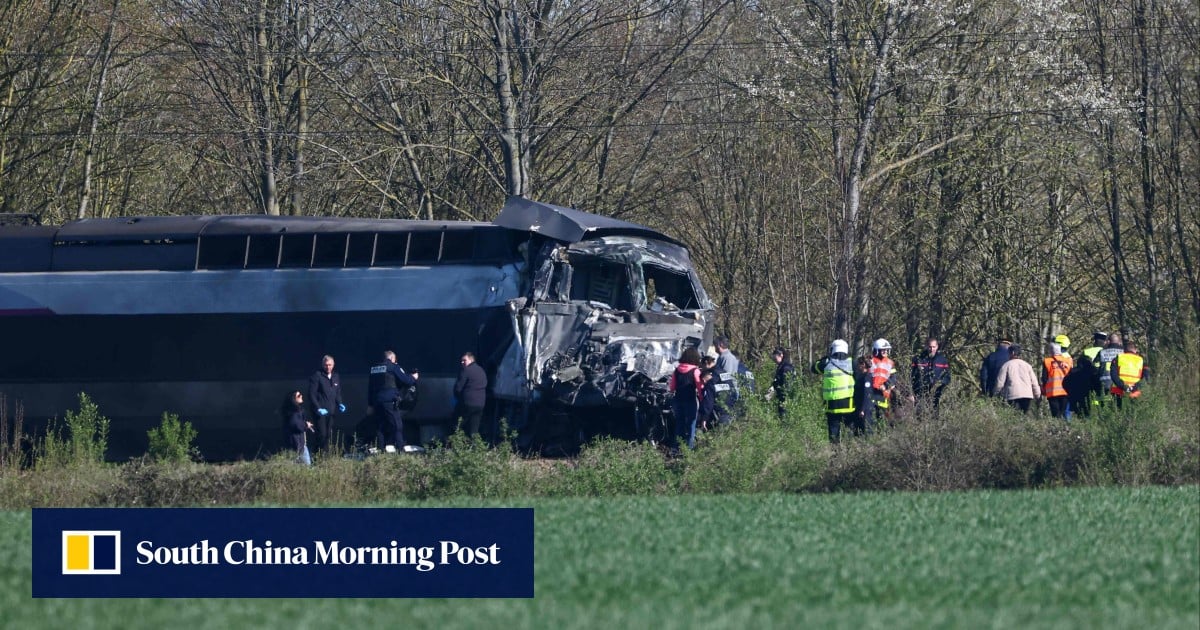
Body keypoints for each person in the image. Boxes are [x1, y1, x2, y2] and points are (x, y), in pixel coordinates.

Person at [368, 350, 419, 452]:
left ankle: (381, 451)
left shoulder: (374, 369)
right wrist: (414, 377)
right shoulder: (393, 367)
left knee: (380, 427)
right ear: (391, 358)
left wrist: (370, 405)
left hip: (377, 402)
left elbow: (370, 388)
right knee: (397, 426)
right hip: (389, 402)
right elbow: (406, 380)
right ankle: (400, 450)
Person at [812, 339, 856, 443]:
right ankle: (850, 454)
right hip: (848, 405)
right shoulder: (852, 362)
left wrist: (824, 358)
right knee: (849, 431)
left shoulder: (826, 362)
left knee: (833, 433)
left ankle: (835, 455)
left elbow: (813, 368)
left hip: (832, 405)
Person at [307, 354, 345, 454]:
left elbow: (337, 392)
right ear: (323, 365)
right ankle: (317, 456)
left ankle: (325, 456)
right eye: (326, 365)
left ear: (333, 364)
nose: (328, 367)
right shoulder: (317, 376)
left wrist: (340, 403)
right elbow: (311, 394)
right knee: (321, 434)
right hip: (320, 412)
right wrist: (318, 408)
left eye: (330, 365)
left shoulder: (336, 376)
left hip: (331, 411)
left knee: (328, 434)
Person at [669, 347, 703, 449]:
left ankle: (676, 447)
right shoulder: (695, 371)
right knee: (691, 424)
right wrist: (702, 399)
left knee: (679, 423)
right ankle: (689, 449)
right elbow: (699, 386)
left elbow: (672, 387)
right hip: (690, 401)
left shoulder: (677, 370)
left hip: (678, 400)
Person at [993, 344, 1041, 414]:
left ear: (1012, 353)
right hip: (1027, 395)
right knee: (1024, 415)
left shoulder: (1006, 365)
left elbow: (1000, 383)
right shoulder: (1027, 365)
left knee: (1014, 416)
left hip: (1012, 395)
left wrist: (995, 393)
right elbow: (1034, 382)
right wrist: (1037, 395)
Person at [451, 351, 488, 440]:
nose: (462, 362)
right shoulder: (481, 370)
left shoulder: (466, 370)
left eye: (464, 360)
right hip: (480, 404)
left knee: (457, 425)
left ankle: (455, 445)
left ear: (471, 360)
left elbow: (458, 388)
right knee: (474, 429)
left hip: (467, 403)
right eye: (461, 361)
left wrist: (456, 398)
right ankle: (475, 449)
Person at [910, 337, 951, 411]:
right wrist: (911, 392)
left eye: (934, 347)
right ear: (926, 346)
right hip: (920, 393)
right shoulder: (918, 359)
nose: (932, 349)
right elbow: (912, 376)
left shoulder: (942, 360)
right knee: (920, 415)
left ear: (937, 347)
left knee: (934, 415)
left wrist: (940, 384)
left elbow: (947, 376)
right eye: (930, 347)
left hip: (936, 394)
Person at [866, 338, 898, 432]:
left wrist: (886, 385)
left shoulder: (890, 363)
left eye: (886, 349)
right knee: (870, 418)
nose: (885, 351)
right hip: (870, 392)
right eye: (882, 350)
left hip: (883, 394)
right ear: (876, 350)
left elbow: (893, 378)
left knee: (882, 417)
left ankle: (883, 435)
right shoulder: (870, 361)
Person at [1041, 338, 1073, 419]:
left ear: (1051, 351)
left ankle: (1057, 429)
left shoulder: (1047, 361)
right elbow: (1071, 375)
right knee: (1063, 412)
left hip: (1052, 392)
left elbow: (1044, 378)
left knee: (1055, 415)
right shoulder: (1068, 361)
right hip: (1065, 392)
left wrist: (1044, 388)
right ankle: (1065, 429)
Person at [712, 336, 742, 419]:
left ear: (720, 344)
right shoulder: (722, 357)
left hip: (727, 393)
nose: (714, 347)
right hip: (726, 391)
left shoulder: (726, 358)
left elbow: (725, 376)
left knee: (724, 417)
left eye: (715, 345)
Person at [1110, 341, 1147, 408]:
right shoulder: (1141, 360)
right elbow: (1146, 378)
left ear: (1124, 350)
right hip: (1135, 392)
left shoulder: (1118, 358)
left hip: (1118, 391)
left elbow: (1113, 375)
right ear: (1135, 350)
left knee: (1117, 413)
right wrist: (1134, 387)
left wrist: (1123, 386)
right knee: (1133, 414)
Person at [280, 390, 313, 465]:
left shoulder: (295, 411)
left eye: (301, 394)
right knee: (306, 465)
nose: (301, 396)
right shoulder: (294, 412)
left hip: (299, 444)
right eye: (298, 395)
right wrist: (306, 425)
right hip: (297, 444)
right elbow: (296, 425)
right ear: (293, 399)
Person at [1093, 332, 1125, 408]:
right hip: (1119, 383)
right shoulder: (1123, 352)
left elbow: (1095, 367)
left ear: (1108, 341)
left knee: (1105, 407)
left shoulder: (1102, 352)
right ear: (1119, 341)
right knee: (1118, 406)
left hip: (1104, 382)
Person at [769, 347, 796, 420]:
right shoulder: (781, 367)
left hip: (785, 397)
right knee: (781, 415)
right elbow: (776, 382)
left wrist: (785, 398)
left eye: (775, 359)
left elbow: (787, 384)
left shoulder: (786, 367)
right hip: (781, 397)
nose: (775, 361)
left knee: (784, 417)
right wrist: (769, 395)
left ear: (781, 355)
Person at [852, 355, 872, 436]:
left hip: (865, 409)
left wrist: (863, 409)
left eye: (859, 364)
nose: (857, 366)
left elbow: (866, 394)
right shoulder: (860, 376)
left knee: (866, 430)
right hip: (859, 407)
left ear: (863, 364)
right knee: (857, 430)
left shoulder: (867, 377)